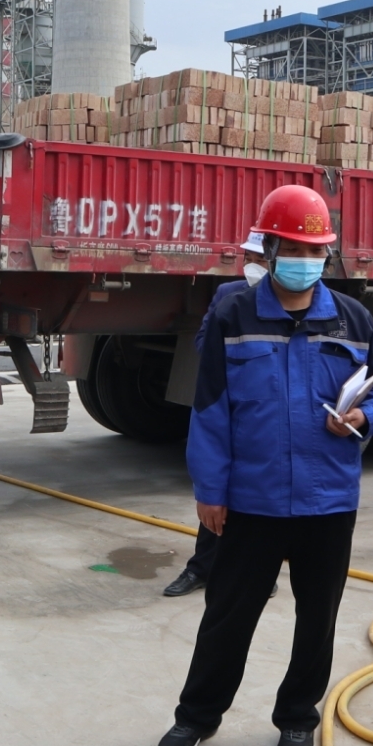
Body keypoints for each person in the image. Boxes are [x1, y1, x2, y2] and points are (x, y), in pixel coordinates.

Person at [156, 185, 373, 746]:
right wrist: (210, 490)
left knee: (317, 621)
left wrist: (365, 416)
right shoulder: (233, 314)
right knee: (227, 617)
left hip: (327, 501)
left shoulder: (353, 319)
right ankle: (196, 718)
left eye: (315, 250)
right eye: (292, 248)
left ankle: (297, 718)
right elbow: (210, 410)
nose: (304, 260)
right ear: (268, 249)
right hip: (252, 500)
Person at [163, 230, 271, 599]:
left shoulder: (294, 305)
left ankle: (260, 570)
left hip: (267, 413)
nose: (253, 266)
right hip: (230, 404)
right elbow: (203, 342)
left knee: (260, 499)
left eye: (260, 259)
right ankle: (201, 568)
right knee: (217, 491)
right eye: (248, 259)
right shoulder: (228, 295)